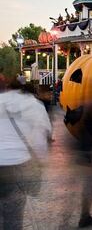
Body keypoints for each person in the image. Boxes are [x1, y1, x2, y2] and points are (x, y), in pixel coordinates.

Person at [0, 79, 52, 229]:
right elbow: (40, 140)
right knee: (13, 215)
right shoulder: (33, 104)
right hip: (17, 165)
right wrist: (40, 161)